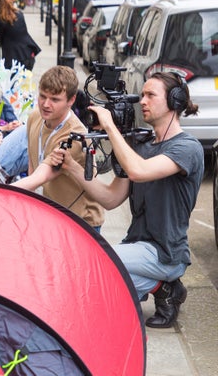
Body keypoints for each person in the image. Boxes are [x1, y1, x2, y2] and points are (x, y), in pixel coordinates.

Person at [50, 72, 203, 328]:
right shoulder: (141, 146)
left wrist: (111, 127)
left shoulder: (187, 148)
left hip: (165, 253)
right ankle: (163, 289)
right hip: (136, 247)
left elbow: (138, 171)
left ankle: (164, 281)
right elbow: (111, 199)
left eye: (151, 95)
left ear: (175, 101)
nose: (143, 100)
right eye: (142, 94)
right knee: (89, 293)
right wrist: (71, 168)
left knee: (94, 258)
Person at [18, 66, 105, 231]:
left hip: (81, 221)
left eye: (55, 99)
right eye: (42, 96)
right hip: (51, 213)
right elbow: (32, 164)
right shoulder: (35, 116)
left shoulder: (76, 136)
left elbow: (41, 176)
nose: (46, 104)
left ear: (71, 100)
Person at [0, 0, 41, 70]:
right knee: (26, 80)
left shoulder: (1, 20)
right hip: (28, 53)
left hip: (13, 59)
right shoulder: (19, 14)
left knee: (13, 81)